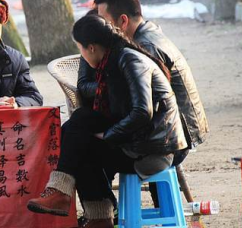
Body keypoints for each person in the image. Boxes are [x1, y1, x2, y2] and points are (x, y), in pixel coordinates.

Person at [27, 15, 187, 228]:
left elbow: (142, 112)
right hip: (137, 142)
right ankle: (85, 208)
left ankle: (93, 212)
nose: (82, 55)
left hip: (154, 150)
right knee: (78, 127)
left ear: (91, 48)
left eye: (81, 49)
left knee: (80, 143)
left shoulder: (130, 60)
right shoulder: (112, 61)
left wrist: (109, 135)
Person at [81, 0, 209, 163]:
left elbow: (142, 109)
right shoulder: (147, 32)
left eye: (103, 21)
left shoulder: (144, 49)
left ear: (123, 21)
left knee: (85, 143)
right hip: (176, 130)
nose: (99, 27)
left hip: (174, 138)